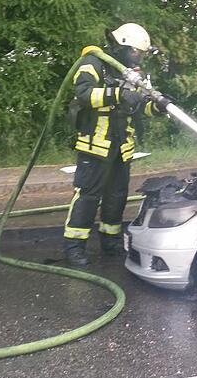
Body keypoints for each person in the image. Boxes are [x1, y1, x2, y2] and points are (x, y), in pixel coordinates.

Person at [62, 23, 161, 267]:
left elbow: (140, 105)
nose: (138, 57)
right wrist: (116, 94)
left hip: (121, 147)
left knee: (116, 196)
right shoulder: (92, 63)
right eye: (135, 51)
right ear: (122, 45)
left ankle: (111, 242)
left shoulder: (132, 71)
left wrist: (156, 107)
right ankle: (75, 247)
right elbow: (84, 95)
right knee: (87, 196)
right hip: (95, 146)